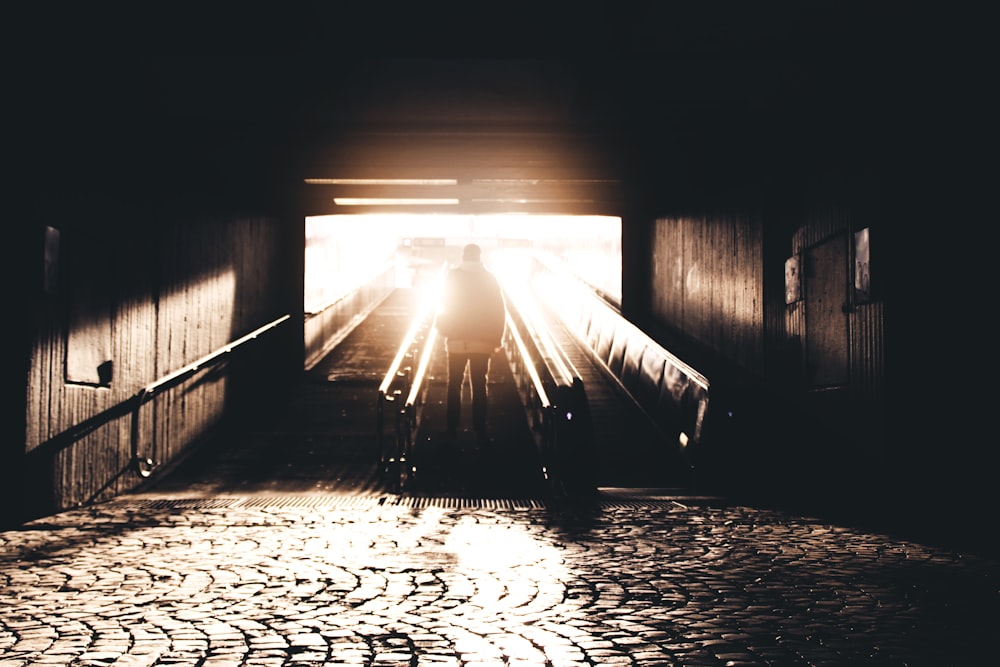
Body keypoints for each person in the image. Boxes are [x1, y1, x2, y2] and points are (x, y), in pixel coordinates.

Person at [434, 243, 506, 440]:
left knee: (454, 384)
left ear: (464, 256)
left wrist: (441, 327)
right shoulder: (489, 279)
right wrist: (496, 338)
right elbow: (499, 311)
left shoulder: (453, 276)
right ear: (479, 257)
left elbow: (443, 302)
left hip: (456, 340)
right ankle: (480, 428)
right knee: (479, 384)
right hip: (482, 342)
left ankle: (451, 427)